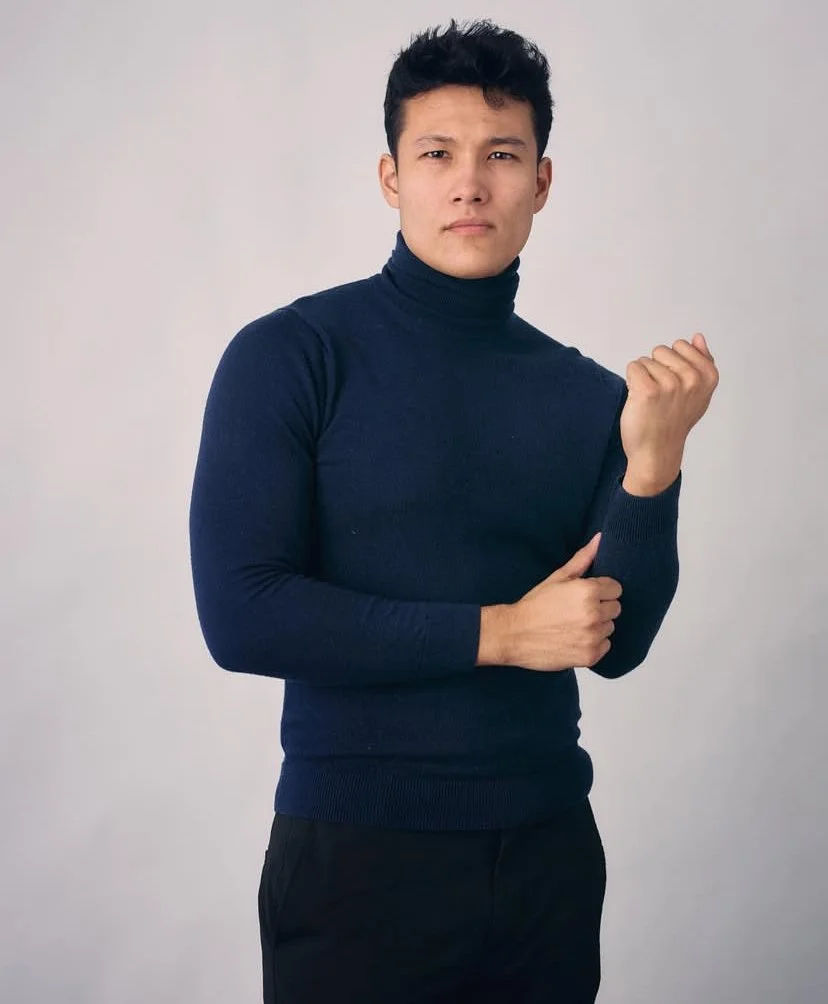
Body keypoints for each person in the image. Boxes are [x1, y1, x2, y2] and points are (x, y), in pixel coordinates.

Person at [188, 17, 719, 1004]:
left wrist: (655, 463)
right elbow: (243, 611)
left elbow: (621, 639)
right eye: (437, 153)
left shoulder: (590, 394)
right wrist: (501, 633)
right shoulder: (292, 355)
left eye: (501, 155)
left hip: (548, 855)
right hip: (357, 857)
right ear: (392, 176)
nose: (468, 182)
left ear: (542, 182)